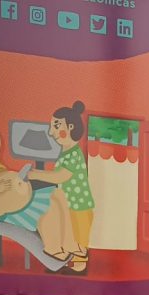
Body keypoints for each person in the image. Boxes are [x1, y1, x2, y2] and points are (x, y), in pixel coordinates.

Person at [0, 123, 80, 262]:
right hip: (6, 209)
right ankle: (52, 248)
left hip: (22, 198)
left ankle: (69, 242)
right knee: (49, 208)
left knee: (58, 195)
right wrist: (2, 186)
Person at [28, 101, 95, 272]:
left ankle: (79, 267)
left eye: (56, 126)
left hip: (78, 206)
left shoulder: (73, 154)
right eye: (52, 127)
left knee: (78, 240)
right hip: (68, 205)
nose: (52, 132)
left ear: (71, 127)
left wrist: (36, 174)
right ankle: (66, 262)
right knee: (67, 235)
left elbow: (61, 176)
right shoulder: (66, 153)